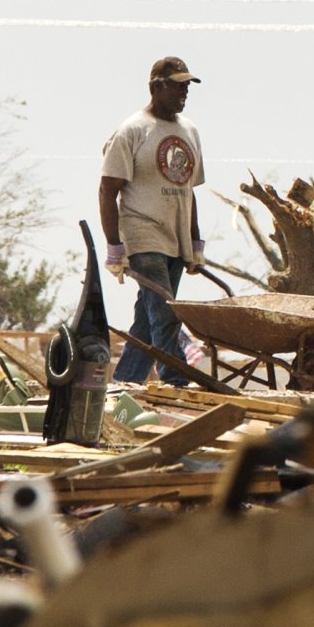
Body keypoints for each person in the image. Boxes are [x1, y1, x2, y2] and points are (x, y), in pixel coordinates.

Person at [99, 57, 207, 383]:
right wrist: (115, 248)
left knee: (147, 320)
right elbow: (107, 190)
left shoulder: (189, 131)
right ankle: (176, 383)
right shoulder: (132, 130)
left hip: (175, 237)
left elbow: (189, 191)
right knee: (166, 313)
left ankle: (125, 384)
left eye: (187, 86)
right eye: (177, 85)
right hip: (142, 233)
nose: (184, 92)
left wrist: (196, 243)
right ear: (157, 85)